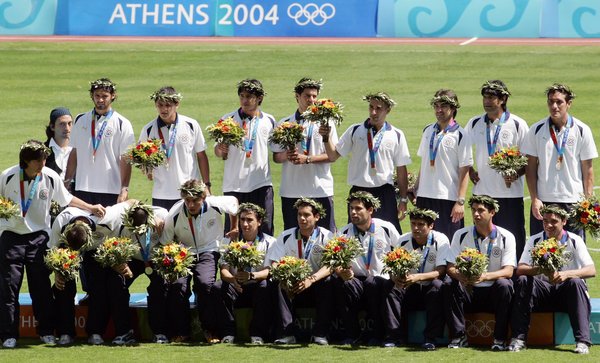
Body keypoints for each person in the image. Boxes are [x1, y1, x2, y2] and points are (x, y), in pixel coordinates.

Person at [0, 140, 104, 349]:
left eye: (45, 158)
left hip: (39, 238)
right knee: (9, 289)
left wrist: (90, 207)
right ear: (26, 161)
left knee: (41, 289)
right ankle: (8, 335)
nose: (43, 163)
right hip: (11, 237)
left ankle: (46, 331)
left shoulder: (49, 176)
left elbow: (67, 199)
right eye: (38, 160)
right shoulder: (7, 176)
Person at [508, 205, 595, 354]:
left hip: (565, 293)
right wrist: (541, 269)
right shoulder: (535, 240)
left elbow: (591, 270)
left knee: (576, 281)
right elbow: (520, 269)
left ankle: (582, 342)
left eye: (554, 221)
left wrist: (567, 274)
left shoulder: (575, 240)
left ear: (564, 221)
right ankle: (518, 338)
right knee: (523, 280)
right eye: (545, 221)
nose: (548, 225)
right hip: (542, 292)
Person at [320, 92, 410, 234]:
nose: (373, 112)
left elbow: (401, 169)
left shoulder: (396, 134)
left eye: (378, 108)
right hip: (358, 192)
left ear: (388, 110)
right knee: (355, 235)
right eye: (371, 107)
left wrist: (403, 200)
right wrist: (326, 138)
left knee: (389, 235)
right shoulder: (355, 130)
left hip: (384, 193)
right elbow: (332, 156)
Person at [160, 179, 239, 343]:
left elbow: (234, 204)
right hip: (184, 253)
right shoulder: (174, 213)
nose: (191, 205)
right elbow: (166, 243)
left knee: (204, 284)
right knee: (177, 286)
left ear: (203, 197)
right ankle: (182, 332)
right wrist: (174, 257)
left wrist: (235, 227)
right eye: (187, 200)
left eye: (195, 200)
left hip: (209, 249)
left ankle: (209, 330)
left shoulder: (215, 204)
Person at [49, 200, 135, 346]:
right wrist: (57, 272)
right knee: (63, 284)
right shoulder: (62, 220)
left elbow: (132, 202)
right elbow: (53, 248)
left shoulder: (108, 217)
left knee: (98, 285)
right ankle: (65, 332)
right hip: (67, 249)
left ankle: (95, 332)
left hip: (97, 249)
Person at [522, 83, 597, 237]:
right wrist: (535, 198)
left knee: (574, 252)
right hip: (544, 201)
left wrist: (587, 203)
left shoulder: (582, 130)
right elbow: (530, 168)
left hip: (573, 201)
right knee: (541, 252)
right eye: (551, 102)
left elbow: (588, 169)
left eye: (559, 102)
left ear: (569, 104)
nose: (554, 106)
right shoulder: (536, 130)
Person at [465, 80, 530, 258]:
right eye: (484, 97)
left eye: (491, 97)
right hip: (482, 195)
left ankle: (516, 283)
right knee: (482, 242)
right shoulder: (474, 123)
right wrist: (471, 170)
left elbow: (529, 159)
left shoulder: (518, 124)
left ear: (503, 99)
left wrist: (516, 174)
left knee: (514, 242)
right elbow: (462, 152)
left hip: (510, 195)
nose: (486, 101)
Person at [445, 195, 516, 351]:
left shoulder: (506, 236)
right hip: (469, 290)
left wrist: (484, 276)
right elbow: (450, 266)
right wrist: (462, 277)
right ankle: (458, 336)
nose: (476, 214)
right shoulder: (461, 234)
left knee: (505, 284)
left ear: (492, 212)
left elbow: (509, 271)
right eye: (474, 210)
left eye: (481, 210)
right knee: (450, 283)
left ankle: (499, 339)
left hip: (493, 292)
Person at [334, 191, 401, 346]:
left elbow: (401, 252)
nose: (353, 212)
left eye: (358, 208)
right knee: (339, 283)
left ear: (370, 210)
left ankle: (376, 335)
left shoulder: (386, 228)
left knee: (373, 283)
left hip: (381, 280)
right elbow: (334, 261)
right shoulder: (344, 232)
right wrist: (341, 272)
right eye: (351, 208)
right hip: (356, 280)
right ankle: (352, 334)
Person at [266, 198, 335, 345]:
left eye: (306, 215)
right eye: (299, 215)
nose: (302, 218)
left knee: (329, 282)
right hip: (293, 285)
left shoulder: (327, 236)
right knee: (278, 282)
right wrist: (287, 277)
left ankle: (320, 334)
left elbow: (331, 265)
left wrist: (311, 280)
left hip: (315, 284)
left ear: (316, 217)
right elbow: (274, 263)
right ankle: (287, 333)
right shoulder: (285, 236)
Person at [274, 78, 338, 232]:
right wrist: (287, 156)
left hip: (320, 189)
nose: (312, 100)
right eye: (307, 96)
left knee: (326, 238)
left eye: (314, 96)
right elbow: (276, 157)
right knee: (293, 238)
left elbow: (333, 155)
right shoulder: (285, 123)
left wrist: (307, 159)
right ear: (297, 96)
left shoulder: (325, 122)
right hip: (291, 191)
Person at [214, 79, 276, 235]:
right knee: (232, 233)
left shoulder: (269, 120)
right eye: (242, 96)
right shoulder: (227, 120)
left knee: (264, 231)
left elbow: (276, 150)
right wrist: (220, 149)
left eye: (249, 96)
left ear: (260, 98)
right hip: (233, 185)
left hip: (261, 184)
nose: (245, 100)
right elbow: (218, 152)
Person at [382, 207, 449, 350]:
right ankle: (394, 337)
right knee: (390, 287)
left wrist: (418, 277)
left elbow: (441, 270)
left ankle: (430, 338)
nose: (416, 228)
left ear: (431, 226)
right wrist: (396, 278)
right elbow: (394, 268)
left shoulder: (441, 239)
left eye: (420, 224)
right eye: (413, 224)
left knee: (438, 286)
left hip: (430, 286)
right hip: (410, 287)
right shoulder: (403, 240)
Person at [64, 78, 135, 206]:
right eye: (97, 95)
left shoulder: (122, 123)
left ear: (113, 96)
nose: (100, 100)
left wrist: (124, 188)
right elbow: (74, 152)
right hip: (83, 187)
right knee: (82, 225)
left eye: (104, 96)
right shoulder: (80, 119)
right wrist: (67, 181)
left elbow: (125, 158)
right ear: (92, 96)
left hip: (111, 188)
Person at [139, 86, 211, 210]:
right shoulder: (148, 129)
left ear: (177, 104)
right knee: (164, 229)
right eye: (160, 105)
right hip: (162, 193)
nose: (164, 109)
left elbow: (201, 155)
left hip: (190, 191)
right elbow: (141, 159)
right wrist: (147, 168)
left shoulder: (191, 125)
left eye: (168, 105)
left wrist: (207, 185)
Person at [213, 203, 276, 345]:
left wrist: (251, 276)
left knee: (266, 286)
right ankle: (227, 333)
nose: (245, 224)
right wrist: (233, 280)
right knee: (218, 287)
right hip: (235, 285)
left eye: (249, 220)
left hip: (255, 285)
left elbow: (269, 271)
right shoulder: (229, 241)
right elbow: (223, 269)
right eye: (242, 220)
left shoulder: (270, 242)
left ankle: (258, 334)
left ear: (259, 222)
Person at [415, 89, 472, 240]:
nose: (439, 110)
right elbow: (424, 163)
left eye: (443, 106)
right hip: (424, 197)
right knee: (423, 242)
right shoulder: (428, 130)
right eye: (436, 106)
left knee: (449, 243)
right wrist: (415, 188)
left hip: (447, 199)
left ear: (453, 108)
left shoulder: (460, 134)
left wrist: (460, 201)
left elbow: (465, 170)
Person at [118, 201, 169, 344]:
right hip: (133, 259)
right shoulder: (122, 222)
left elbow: (173, 241)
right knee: (117, 283)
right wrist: (122, 264)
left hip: (155, 258)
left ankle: (160, 332)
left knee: (159, 287)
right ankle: (124, 332)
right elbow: (117, 246)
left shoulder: (163, 216)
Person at [44, 107, 73, 179]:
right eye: (62, 124)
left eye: (69, 123)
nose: (67, 128)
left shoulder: (80, 149)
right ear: (52, 127)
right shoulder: (42, 151)